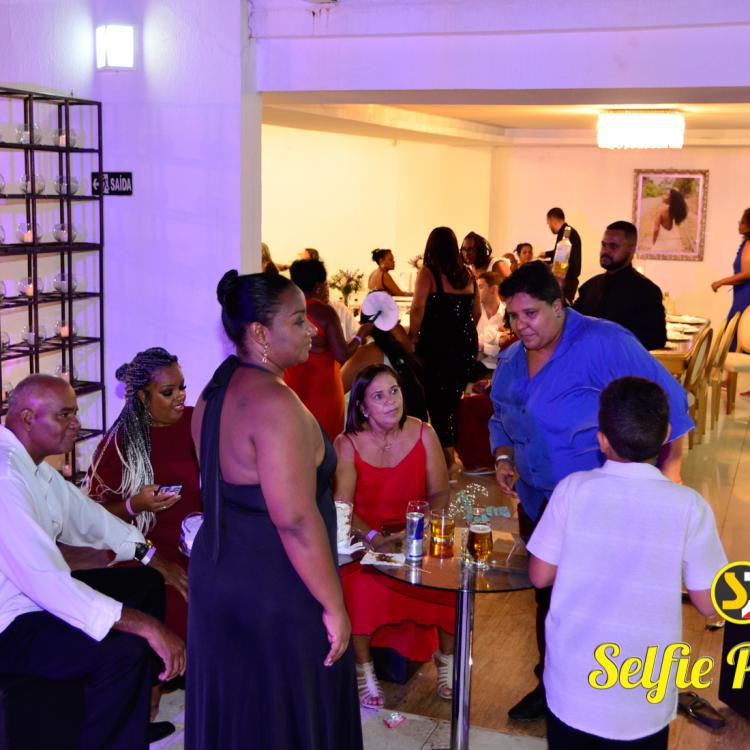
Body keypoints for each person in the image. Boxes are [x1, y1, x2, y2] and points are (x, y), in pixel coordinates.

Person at [489, 261, 693, 722]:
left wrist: (671, 469)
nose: (521, 326)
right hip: (539, 500)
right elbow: (501, 416)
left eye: (531, 314)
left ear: (559, 306)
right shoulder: (513, 359)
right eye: (513, 316)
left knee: (600, 599)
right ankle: (552, 686)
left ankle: (611, 693)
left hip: (601, 504)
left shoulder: (605, 343)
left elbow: (671, 400)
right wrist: (503, 456)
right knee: (548, 598)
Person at [186, 271, 363, 750]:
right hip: (275, 584)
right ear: (261, 334)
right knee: (287, 710)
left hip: (217, 574)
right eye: (299, 320)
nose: (313, 330)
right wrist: (334, 604)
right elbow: (296, 520)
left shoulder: (212, 393)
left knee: (240, 711)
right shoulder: (276, 405)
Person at [528, 376, 726, 748]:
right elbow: (708, 602)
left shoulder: (573, 490)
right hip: (644, 693)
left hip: (573, 687)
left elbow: (539, 575)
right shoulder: (690, 506)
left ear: (602, 439)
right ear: (666, 434)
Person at [0, 375, 185, 750]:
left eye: (75, 413)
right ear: (27, 418)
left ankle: (132, 721)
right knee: (126, 651)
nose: (76, 424)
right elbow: (47, 582)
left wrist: (152, 557)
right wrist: (146, 626)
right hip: (11, 625)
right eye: (65, 414)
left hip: (34, 599)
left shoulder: (33, 466)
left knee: (146, 584)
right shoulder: (6, 478)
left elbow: (88, 518)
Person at [334, 365, 455, 707]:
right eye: (378, 396)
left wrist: (415, 529)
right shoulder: (346, 443)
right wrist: (374, 536)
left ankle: (446, 660)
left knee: (449, 582)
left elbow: (440, 494)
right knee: (358, 586)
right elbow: (343, 506)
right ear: (361, 407)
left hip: (415, 533)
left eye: (394, 391)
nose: (391, 401)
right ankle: (364, 670)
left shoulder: (424, 432)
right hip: (364, 538)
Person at [86, 347, 201, 645]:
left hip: (197, 546)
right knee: (178, 607)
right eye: (168, 392)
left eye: (182, 387)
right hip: (143, 552)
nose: (180, 396)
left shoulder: (197, 423)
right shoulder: (120, 444)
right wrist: (134, 505)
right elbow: (93, 519)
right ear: (142, 397)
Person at [410, 226, 481, 476]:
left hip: (437, 346)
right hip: (464, 346)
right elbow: (476, 312)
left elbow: (417, 309)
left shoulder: (428, 273)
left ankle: (447, 462)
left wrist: (412, 337)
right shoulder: (468, 275)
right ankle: (449, 457)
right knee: (450, 402)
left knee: (437, 404)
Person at [284, 258, 372, 441]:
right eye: (325, 284)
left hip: (292, 388)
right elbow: (342, 354)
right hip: (323, 392)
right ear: (318, 287)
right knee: (326, 445)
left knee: (297, 440)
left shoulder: (285, 311)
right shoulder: (324, 312)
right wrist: (360, 335)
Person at [573, 221, 667, 350]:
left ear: (631, 249)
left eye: (613, 246)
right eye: (604, 245)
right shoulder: (590, 287)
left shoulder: (647, 292)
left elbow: (657, 339)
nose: (605, 251)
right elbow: (572, 323)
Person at [711, 207, 750, 351]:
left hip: (745, 295)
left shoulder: (749, 244)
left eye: (743, 222)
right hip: (742, 293)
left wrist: (721, 282)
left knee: (737, 335)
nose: (740, 224)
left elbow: (746, 274)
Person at [543, 207, 582, 303]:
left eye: (549, 224)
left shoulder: (566, 233)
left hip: (566, 281)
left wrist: (545, 266)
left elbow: (561, 261)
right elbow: (562, 253)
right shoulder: (568, 231)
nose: (549, 227)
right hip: (569, 280)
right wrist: (546, 254)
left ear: (552, 220)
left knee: (560, 307)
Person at [474, 271, 509, 377]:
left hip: (500, 369)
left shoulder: (508, 314)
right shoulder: (474, 312)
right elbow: (470, 348)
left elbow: (507, 348)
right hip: (474, 367)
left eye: (480, 287)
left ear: (493, 289)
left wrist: (482, 347)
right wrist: (495, 341)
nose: (476, 292)